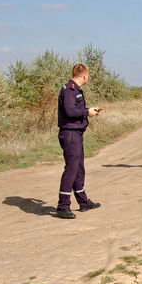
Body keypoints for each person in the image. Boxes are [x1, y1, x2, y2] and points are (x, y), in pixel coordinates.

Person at [55, 64, 102, 219]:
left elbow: (74, 109)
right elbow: (70, 111)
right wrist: (86, 112)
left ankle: (83, 201)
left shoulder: (74, 89)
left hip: (76, 133)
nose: (87, 78)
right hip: (70, 134)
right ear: (84, 76)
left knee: (79, 168)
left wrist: (88, 110)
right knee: (71, 169)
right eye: (88, 76)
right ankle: (63, 206)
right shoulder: (69, 89)